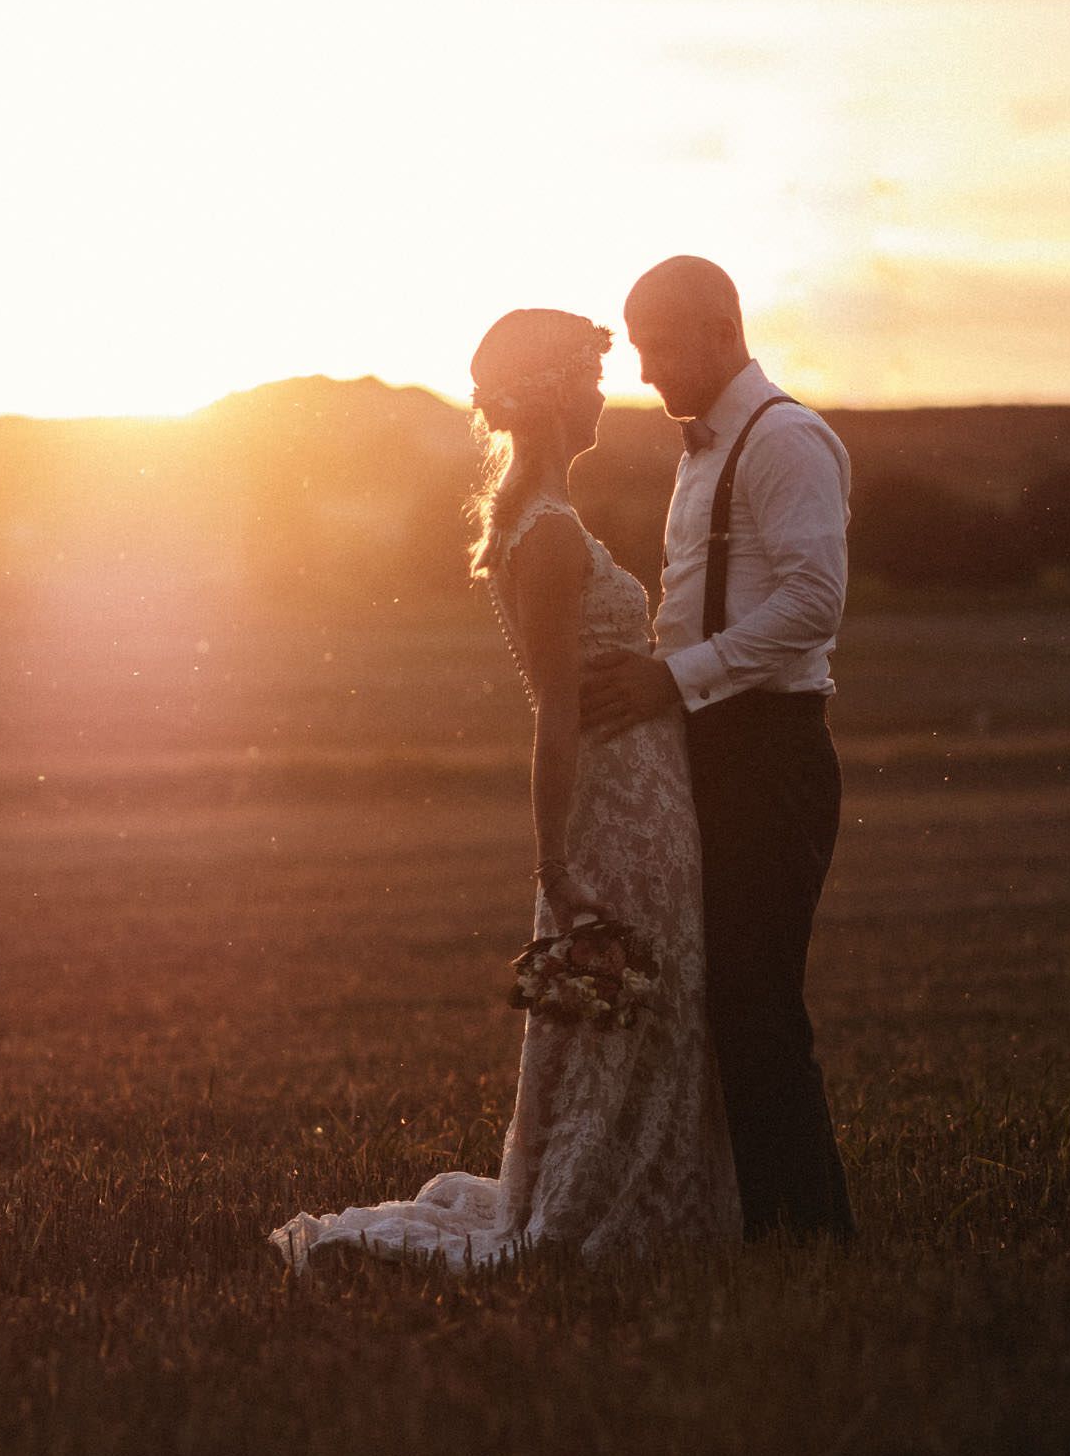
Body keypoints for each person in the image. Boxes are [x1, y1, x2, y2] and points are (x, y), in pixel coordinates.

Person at [268, 307, 741, 1272]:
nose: (607, 391)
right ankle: (618, 1201)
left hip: (636, 794)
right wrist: (556, 863)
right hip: (623, 809)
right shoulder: (552, 531)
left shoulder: (534, 516)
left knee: (640, 1014)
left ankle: (640, 1188)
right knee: (640, 1012)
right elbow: (554, 712)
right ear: (561, 392)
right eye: (592, 375)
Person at [581, 256, 856, 1242]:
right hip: (713, 751)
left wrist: (678, 677)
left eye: (657, 348)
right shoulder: (704, 452)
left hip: (771, 753)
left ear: (720, 325)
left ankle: (814, 1235)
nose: (646, 375)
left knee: (757, 995)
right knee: (730, 995)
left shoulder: (784, 441)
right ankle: (782, 1223)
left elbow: (814, 607)